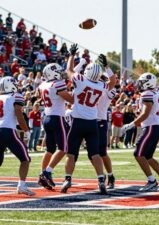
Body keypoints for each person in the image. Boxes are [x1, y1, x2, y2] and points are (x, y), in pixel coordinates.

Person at [61, 44, 115, 194]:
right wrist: (106, 66)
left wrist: (71, 55)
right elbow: (112, 82)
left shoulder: (80, 79)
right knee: (95, 154)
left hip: (78, 121)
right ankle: (100, 180)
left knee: (71, 154)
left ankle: (67, 179)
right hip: (92, 123)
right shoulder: (101, 85)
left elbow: (69, 71)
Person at [0, 76, 34, 197]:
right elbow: (19, 114)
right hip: (8, 131)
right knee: (25, 159)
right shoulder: (15, 96)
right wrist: (26, 130)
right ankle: (22, 186)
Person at [121, 73, 159, 192]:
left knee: (138, 153)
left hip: (151, 127)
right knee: (148, 156)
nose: (139, 84)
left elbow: (145, 113)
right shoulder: (156, 93)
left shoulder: (147, 94)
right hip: (155, 126)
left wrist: (131, 124)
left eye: (141, 82)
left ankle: (151, 181)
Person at [37, 63, 74, 190]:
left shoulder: (43, 85)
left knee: (49, 149)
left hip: (47, 117)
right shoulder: (57, 84)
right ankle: (46, 172)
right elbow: (70, 99)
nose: (62, 75)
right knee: (63, 148)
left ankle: (43, 174)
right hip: (57, 118)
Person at [93, 54, 116, 189]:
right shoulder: (89, 84)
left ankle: (110, 175)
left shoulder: (105, 89)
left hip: (100, 121)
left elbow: (112, 82)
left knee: (102, 152)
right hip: (89, 121)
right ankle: (101, 176)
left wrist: (107, 67)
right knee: (92, 154)